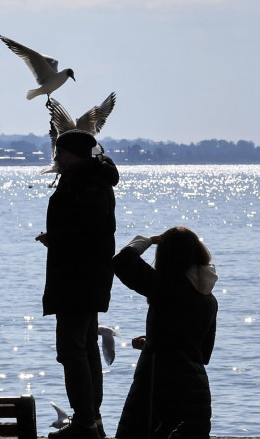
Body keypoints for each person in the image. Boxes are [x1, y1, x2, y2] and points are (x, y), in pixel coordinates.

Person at [35, 129, 119, 439]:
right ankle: (92, 420)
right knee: (85, 347)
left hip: (76, 278)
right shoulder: (94, 180)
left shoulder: (83, 183)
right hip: (89, 275)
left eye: (60, 152)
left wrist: (55, 239)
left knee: (72, 350)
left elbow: (86, 232)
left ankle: (85, 422)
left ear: (72, 154)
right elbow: (92, 230)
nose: (56, 158)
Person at [112, 227, 217, 439]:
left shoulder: (166, 285)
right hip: (196, 392)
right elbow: (202, 352)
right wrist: (155, 339)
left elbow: (122, 261)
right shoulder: (209, 299)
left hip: (157, 386)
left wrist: (148, 240)